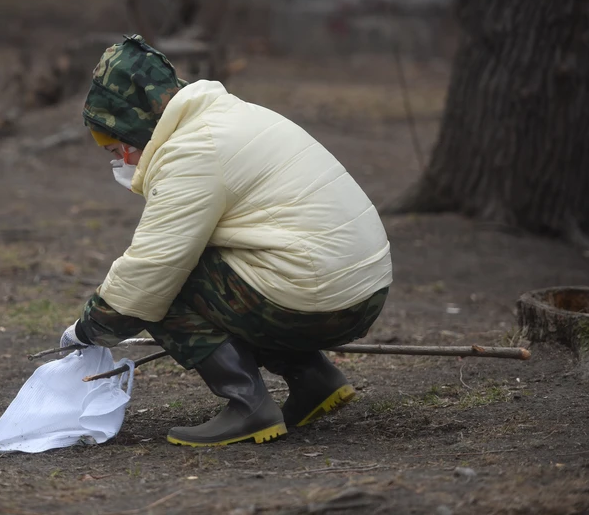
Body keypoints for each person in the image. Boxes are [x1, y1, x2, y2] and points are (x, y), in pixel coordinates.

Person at [60, 35, 392, 447]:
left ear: (134, 123)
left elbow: (151, 271)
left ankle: (248, 406)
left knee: (164, 286)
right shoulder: (230, 116)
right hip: (361, 289)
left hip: (316, 296)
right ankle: (314, 380)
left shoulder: (193, 150)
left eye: (114, 145)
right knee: (234, 269)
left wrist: (91, 327)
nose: (120, 159)